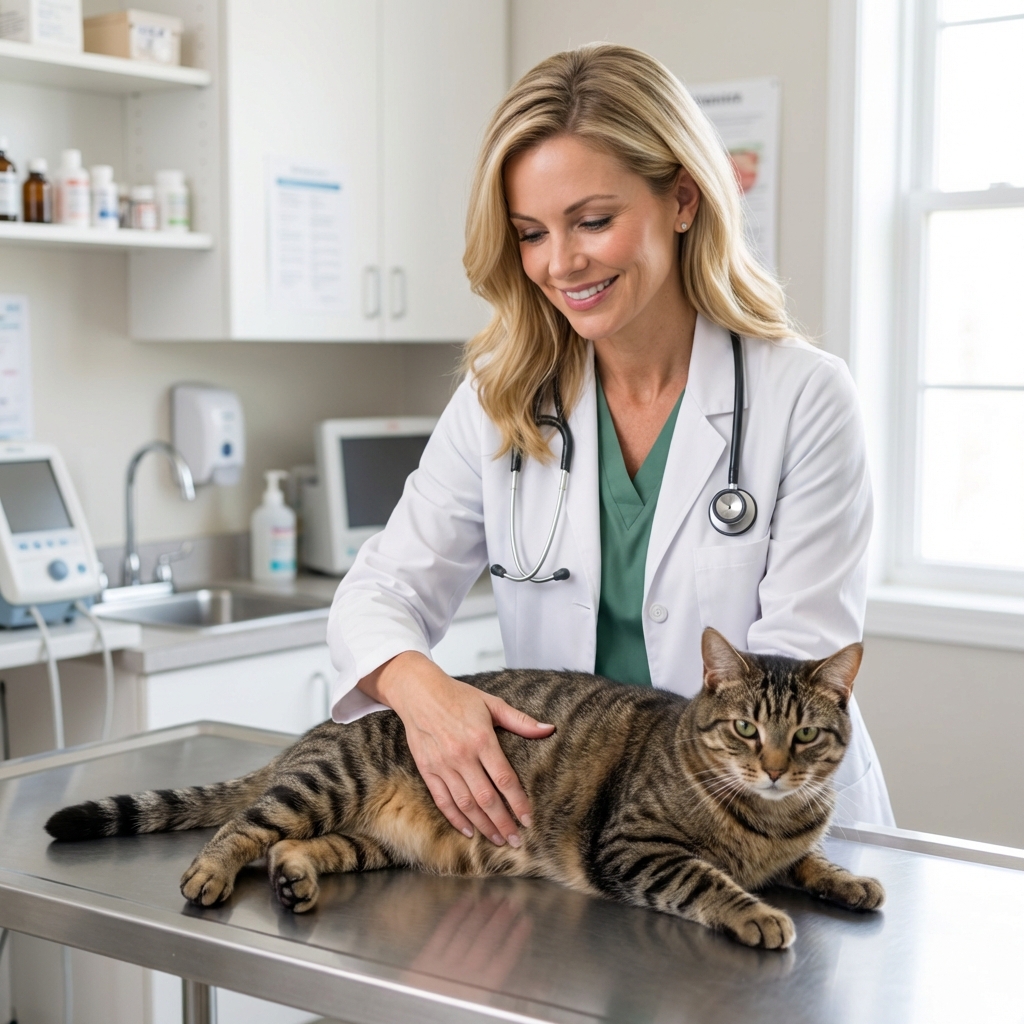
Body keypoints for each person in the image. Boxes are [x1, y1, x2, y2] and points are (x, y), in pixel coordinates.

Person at [327, 43, 894, 849]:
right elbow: (379, 591)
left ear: (685, 200)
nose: (561, 264)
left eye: (593, 221)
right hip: (577, 835)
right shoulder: (503, 392)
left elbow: (795, 679)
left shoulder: (803, 396)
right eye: (531, 233)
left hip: (763, 832)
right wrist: (421, 690)